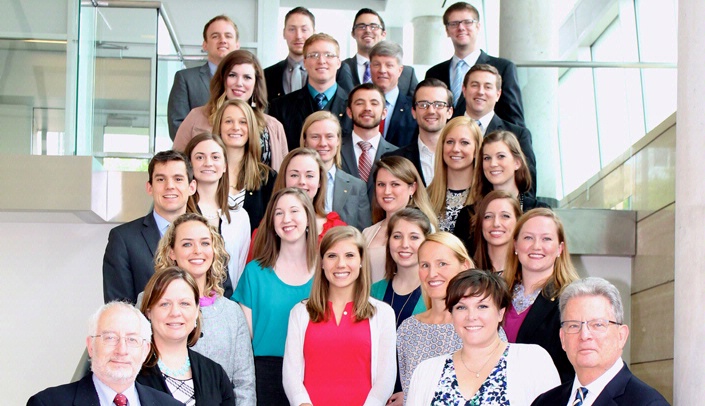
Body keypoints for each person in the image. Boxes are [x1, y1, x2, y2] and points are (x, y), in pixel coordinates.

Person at [407, 269, 560, 405]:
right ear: (452, 314)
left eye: (482, 306)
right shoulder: (426, 371)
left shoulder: (532, 361)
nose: (471, 316)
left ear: (500, 312)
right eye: (461, 307)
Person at [148, 212, 255, 405]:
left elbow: (244, 384)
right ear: (172, 251)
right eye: (187, 244)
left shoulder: (232, 313)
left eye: (205, 243)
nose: (197, 250)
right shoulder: (149, 303)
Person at [283, 226, 397, 405]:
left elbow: (386, 379)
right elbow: (291, 374)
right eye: (332, 256)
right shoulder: (300, 312)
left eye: (350, 255)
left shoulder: (383, 314)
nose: (340, 264)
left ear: (361, 260)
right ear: (321, 262)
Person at [102, 150, 228, 304]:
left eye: (178, 179)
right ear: (149, 187)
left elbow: (223, 294)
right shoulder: (123, 239)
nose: (170, 186)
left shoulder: (210, 236)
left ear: (192, 187)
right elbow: (119, 306)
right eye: (161, 179)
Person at [232, 188, 318, 405]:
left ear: (308, 218)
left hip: (315, 373)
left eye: (294, 211)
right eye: (278, 213)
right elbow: (243, 339)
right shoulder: (254, 273)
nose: (286, 219)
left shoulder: (326, 273)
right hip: (265, 377)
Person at [532, 277, 670, 406]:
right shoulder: (544, 402)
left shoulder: (648, 403)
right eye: (574, 325)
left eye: (597, 324)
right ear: (562, 338)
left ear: (621, 336)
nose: (584, 335)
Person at [27, 302, 182, 406]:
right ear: (91, 346)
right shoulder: (47, 403)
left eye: (132, 339)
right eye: (110, 338)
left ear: (145, 350)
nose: (122, 350)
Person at [173, 50, 288, 170]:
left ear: (256, 84)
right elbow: (176, 166)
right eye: (232, 75)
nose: (239, 83)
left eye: (247, 77)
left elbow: (283, 178)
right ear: (222, 79)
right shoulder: (196, 117)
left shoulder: (273, 126)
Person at [137, 268, 235, 405]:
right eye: (165, 304)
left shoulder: (215, 374)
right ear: (149, 312)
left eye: (185, 303)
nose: (175, 312)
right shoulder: (132, 371)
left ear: (196, 311)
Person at [503, 208, 579, 383]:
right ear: (515, 245)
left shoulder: (572, 299)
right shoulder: (496, 294)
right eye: (528, 237)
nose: (536, 246)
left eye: (546, 239)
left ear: (560, 248)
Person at [396, 232, 472, 401]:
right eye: (424, 265)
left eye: (442, 264)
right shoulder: (408, 329)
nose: (432, 274)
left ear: (465, 266)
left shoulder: (478, 325)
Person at [425, 2, 525, 128]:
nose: (461, 27)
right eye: (454, 23)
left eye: (467, 22)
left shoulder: (503, 68)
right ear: (447, 30)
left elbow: (514, 120)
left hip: (489, 143)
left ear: (478, 27)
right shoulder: (434, 73)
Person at [370, 207, 431, 403]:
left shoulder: (436, 294)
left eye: (414, 237)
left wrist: (411, 393)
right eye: (397, 236)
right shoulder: (373, 291)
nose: (405, 245)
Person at [245, 148, 347, 260]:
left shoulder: (336, 229)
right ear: (284, 178)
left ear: (319, 181)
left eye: (309, 176)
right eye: (294, 175)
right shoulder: (265, 229)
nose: (302, 181)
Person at [454, 130, 546, 250]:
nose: (493, 164)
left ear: (517, 163)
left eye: (501, 156)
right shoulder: (468, 215)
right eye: (487, 158)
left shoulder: (538, 211)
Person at [184, 134, 250, 284]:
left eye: (215, 157)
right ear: (189, 165)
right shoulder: (180, 213)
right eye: (200, 157)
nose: (208, 163)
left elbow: (239, 270)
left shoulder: (240, 217)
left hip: (226, 302)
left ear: (225, 166)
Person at [269, 33, 352, 150]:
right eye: (314, 55)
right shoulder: (280, 107)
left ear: (338, 63)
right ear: (305, 62)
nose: (322, 61)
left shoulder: (354, 105)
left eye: (329, 55)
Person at [462, 64, 536, 195]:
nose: (480, 91)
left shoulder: (518, 135)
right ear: (464, 90)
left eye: (488, 87)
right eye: (474, 85)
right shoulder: (447, 131)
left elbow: (527, 188)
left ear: (498, 94)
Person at [363, 156, 437, 282]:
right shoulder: (367, 232)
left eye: (395, 184)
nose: (387, 191)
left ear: (412, 188)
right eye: (381, 184)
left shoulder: (426, 229)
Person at [168, 15, 239, 140]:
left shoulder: (249, 82)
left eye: (228, 36)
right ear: (205, 45)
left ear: (237, 45)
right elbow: (177, 127)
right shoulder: (185, 79)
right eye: (215, 36)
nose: (222, 40)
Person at [212, 99, 277, 233]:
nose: (236, 127)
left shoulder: (267, 178)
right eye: (228, 121)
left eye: (243, 122)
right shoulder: (206, 172)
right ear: (219, 126)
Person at [300, 110, 371, 230]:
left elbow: (363, 234)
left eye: (329, 136)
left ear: (338, 140)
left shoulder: (356, 186)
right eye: (315, 137)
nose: (323, 143)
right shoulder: (293, 181)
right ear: (305, 141)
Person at [382, 78, 454, 186]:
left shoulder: (463, 157)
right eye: (423, 105)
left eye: (439, 105)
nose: (431, 111)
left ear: (449, 112)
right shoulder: (394, 159)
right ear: (413, 112)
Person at [337, 8, 418, 98]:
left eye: (373, 26)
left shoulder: (407, 73)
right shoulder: (339, 69)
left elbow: (415, 106)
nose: (367, 30)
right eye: (361, 26)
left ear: (383, 33)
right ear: (353, 33)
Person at [340, 83, 398, 202]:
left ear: (384, 113)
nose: (367, 108)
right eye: (360, 103)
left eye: (374, 103)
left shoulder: (397, 155)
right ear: (349, 112)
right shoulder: (334, 150)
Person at [427, 116, 482, 233]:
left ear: (476, 150)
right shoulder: (426, 197)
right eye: (450, 142)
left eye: (464, 143)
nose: (456, 149)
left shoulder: (485, 197)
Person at [369, 41, 416, 147]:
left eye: (389, 65)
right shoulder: (358, 106)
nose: (382, 70)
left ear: (400, 70)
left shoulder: (413, 110)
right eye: (377, 65)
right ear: (370, 67)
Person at [263, 7, 315, 102]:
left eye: (304, 30)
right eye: (292, 29)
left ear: (313, 33)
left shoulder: (326, 72)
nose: (298, 36)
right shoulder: (266, 75)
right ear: (284, 33)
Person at [472, 190, 522, 273]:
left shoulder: (527, 272)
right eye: (488, 216)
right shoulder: (467, 271)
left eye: (505, 216)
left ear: (518, 221)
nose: (496, 223)